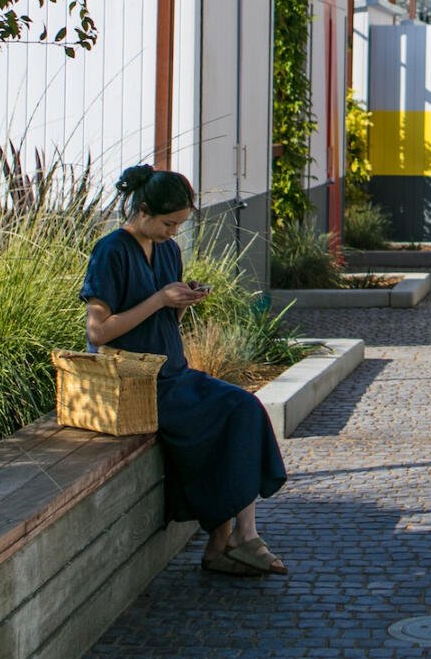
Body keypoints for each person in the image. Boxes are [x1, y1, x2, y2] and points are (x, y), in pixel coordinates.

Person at [81, 166, 288, 575]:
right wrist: (160, 299)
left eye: (179, 224)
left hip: (173, 373)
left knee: (244, 408)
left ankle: (237, 537)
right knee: (230, 415)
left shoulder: (168, 251)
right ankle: (231, 541)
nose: (173, 232)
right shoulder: (111, 251)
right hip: (136, 382)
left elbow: (161, 318)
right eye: (168, 223)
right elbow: (98, 331)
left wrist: (181, 300)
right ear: (142, 210)